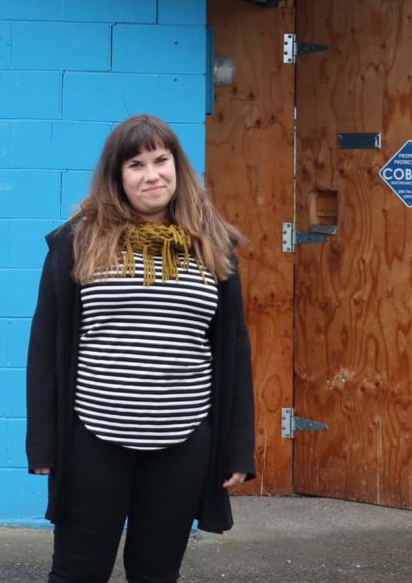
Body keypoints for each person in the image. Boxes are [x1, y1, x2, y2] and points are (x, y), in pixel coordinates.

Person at [26, 114, 256, 583]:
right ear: (117, 177)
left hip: (183, 440)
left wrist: (237, 447)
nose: (152, 175)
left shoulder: (213, 245)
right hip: (93, 437)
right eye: (136, 164)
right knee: (77, 573)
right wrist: (43, 442)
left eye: (161, 160)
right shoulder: (78, 241)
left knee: (156, 573)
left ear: (177, 166)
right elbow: (46, 348)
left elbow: (233, 352)